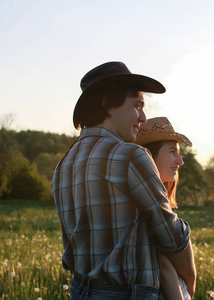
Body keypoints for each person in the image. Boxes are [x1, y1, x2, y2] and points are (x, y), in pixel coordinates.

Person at [52, 62, 196, 299]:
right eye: (137, 105)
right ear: (108, 104)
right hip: (127, 293)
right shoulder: (131, 155)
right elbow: (170, 236)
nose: (143, 117)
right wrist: (191, 278)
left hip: (79, 290)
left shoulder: (64, 164)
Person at [135, 117, 196, 300]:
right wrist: (191, 280)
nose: (180, 161)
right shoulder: (144, 204)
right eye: (172, 152)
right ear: (149, 156)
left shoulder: (159, 200)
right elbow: (164, 264)